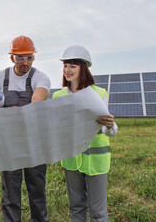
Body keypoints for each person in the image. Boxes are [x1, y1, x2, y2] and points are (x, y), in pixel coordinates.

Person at [52, 45, 118, 222]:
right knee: (76, 207)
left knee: (98, 212)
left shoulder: (99, 93)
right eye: (65, 65)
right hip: (71, 160)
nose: (67, 70)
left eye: (72, 66)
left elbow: (110, 130)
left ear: (83, 68)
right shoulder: (58, 97)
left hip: (96, 161)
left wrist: (110, 125)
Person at [0, 35, 51, 222]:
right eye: (20, 57)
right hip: (10, 144)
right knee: (10, 193)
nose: (25, 62)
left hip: (34, 143)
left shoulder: (40, 77)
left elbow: (37, 102)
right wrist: (1, 113)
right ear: (11, 58)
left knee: (37, 191)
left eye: (29, 57)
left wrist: (18, 113)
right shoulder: (0, 77)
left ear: (33, 57)